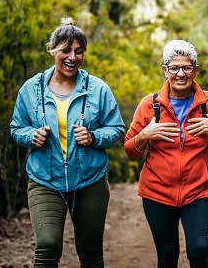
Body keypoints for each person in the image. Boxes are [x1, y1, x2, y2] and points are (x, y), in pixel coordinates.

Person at [10, 18, 125, 267]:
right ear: (51, 49)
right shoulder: (31, 90)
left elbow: (117, 128)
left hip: (89, 181)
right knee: (47, 246)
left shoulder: (98, 89)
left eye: (79, 51)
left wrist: (94, 137)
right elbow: (16, 128)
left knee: (90, 252)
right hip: (45, 180)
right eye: (66, 50)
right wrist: (31, 136)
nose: (73, 57)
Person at [124, 40, 208, 268]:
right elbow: (131, 151)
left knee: (199, 251)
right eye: (174, 68)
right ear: (165, 71)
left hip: (199, 191)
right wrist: (144, 135)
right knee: (167, 255)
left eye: (186, 68)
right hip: (157, 193)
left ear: (195, 70)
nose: (180, 74)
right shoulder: (149, 105)